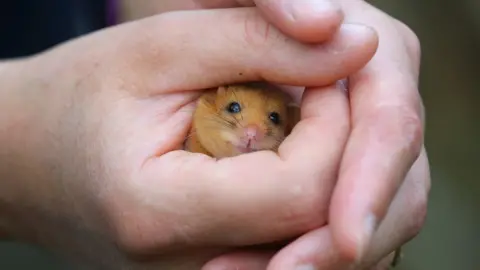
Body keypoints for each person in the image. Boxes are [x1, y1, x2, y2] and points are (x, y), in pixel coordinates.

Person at [0, 0, 430, 269]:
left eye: (275, 122)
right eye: (236, 111)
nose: (254, 131)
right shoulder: (199, 119)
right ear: (213, 102)